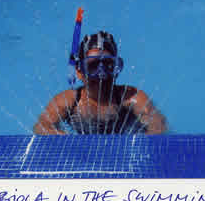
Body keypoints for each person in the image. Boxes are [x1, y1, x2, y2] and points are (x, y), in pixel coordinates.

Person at [33, 31, 167, 135]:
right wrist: (68, 141)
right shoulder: (70, 101)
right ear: (79, 72)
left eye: (108, 65)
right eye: (93, 66)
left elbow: (158, 125)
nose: (101, 74)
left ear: (116, 69)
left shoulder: (130, 97)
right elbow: (41, 126)